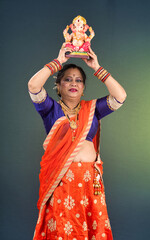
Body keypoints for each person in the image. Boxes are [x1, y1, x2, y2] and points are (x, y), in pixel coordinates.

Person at [28, 43, 127, 240]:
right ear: (58, 86)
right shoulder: (50, 110)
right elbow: (33, 86)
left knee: (91, 228)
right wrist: (58, 62)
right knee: (62, 226)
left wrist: (97, 68)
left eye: (79, 80)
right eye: (67, 79)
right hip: (62, 179)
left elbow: (120, 96)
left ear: (83, 88)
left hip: (90, 180)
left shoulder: (92, 109)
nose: (73, 83)